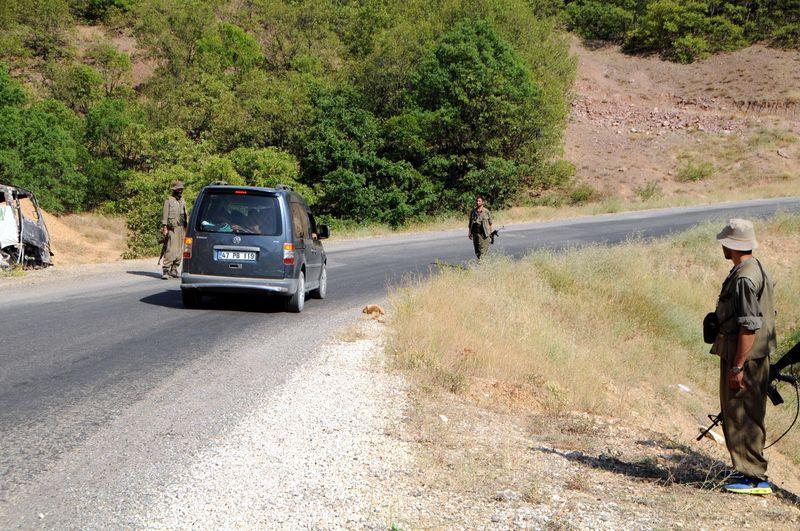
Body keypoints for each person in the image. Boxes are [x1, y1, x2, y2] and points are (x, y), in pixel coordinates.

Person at [711, 219, 776, 495]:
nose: (723, 246)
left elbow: (749, 326)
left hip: (745, 359)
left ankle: (752, 477)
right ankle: (748, 470)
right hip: (753, 357)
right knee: (747, 413)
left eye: (726, 242)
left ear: (733, 245)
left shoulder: (745, 278)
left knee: (741, 414)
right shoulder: (753, 267)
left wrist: (737, 366)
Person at [160, 180, 188, 280]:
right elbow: (165, 215)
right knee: (170, 249)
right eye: (178, 189)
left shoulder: (183, 200)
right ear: (174, 190)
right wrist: (164, 227)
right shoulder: (169, 200)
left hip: (182, 228)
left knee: (180, 250)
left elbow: (185, 215)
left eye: (181, 189)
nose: (180, 191)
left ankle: (174, 269)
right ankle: (166, 269)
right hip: (172, 228)